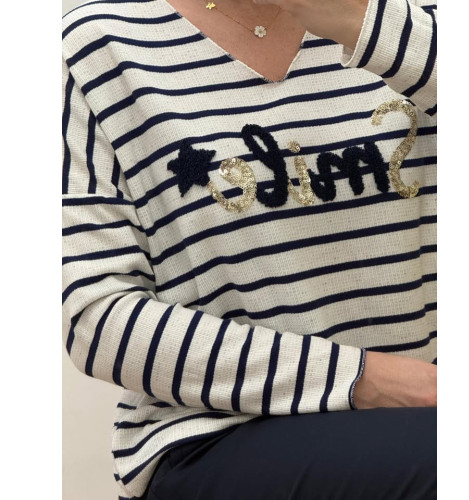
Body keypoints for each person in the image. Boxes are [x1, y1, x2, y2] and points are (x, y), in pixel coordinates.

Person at [62, 0, 437, 498]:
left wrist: (364, 22)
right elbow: (98, 320)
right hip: (219, 431)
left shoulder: (420, 19)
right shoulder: (97, 47)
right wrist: (369, 379)